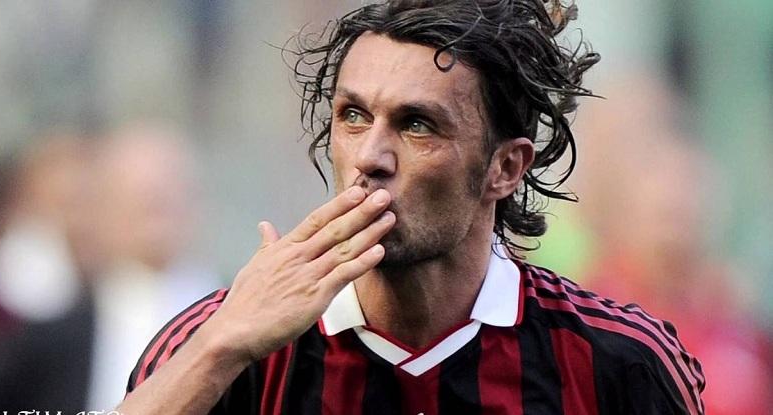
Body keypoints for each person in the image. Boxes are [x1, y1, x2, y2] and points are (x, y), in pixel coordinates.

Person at [119, 1, 705, 414]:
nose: (369, 156)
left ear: (505, 168)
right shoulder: (222, 347)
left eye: (417, 125)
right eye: (353, 116)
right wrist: (220, 346)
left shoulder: (616, 362)